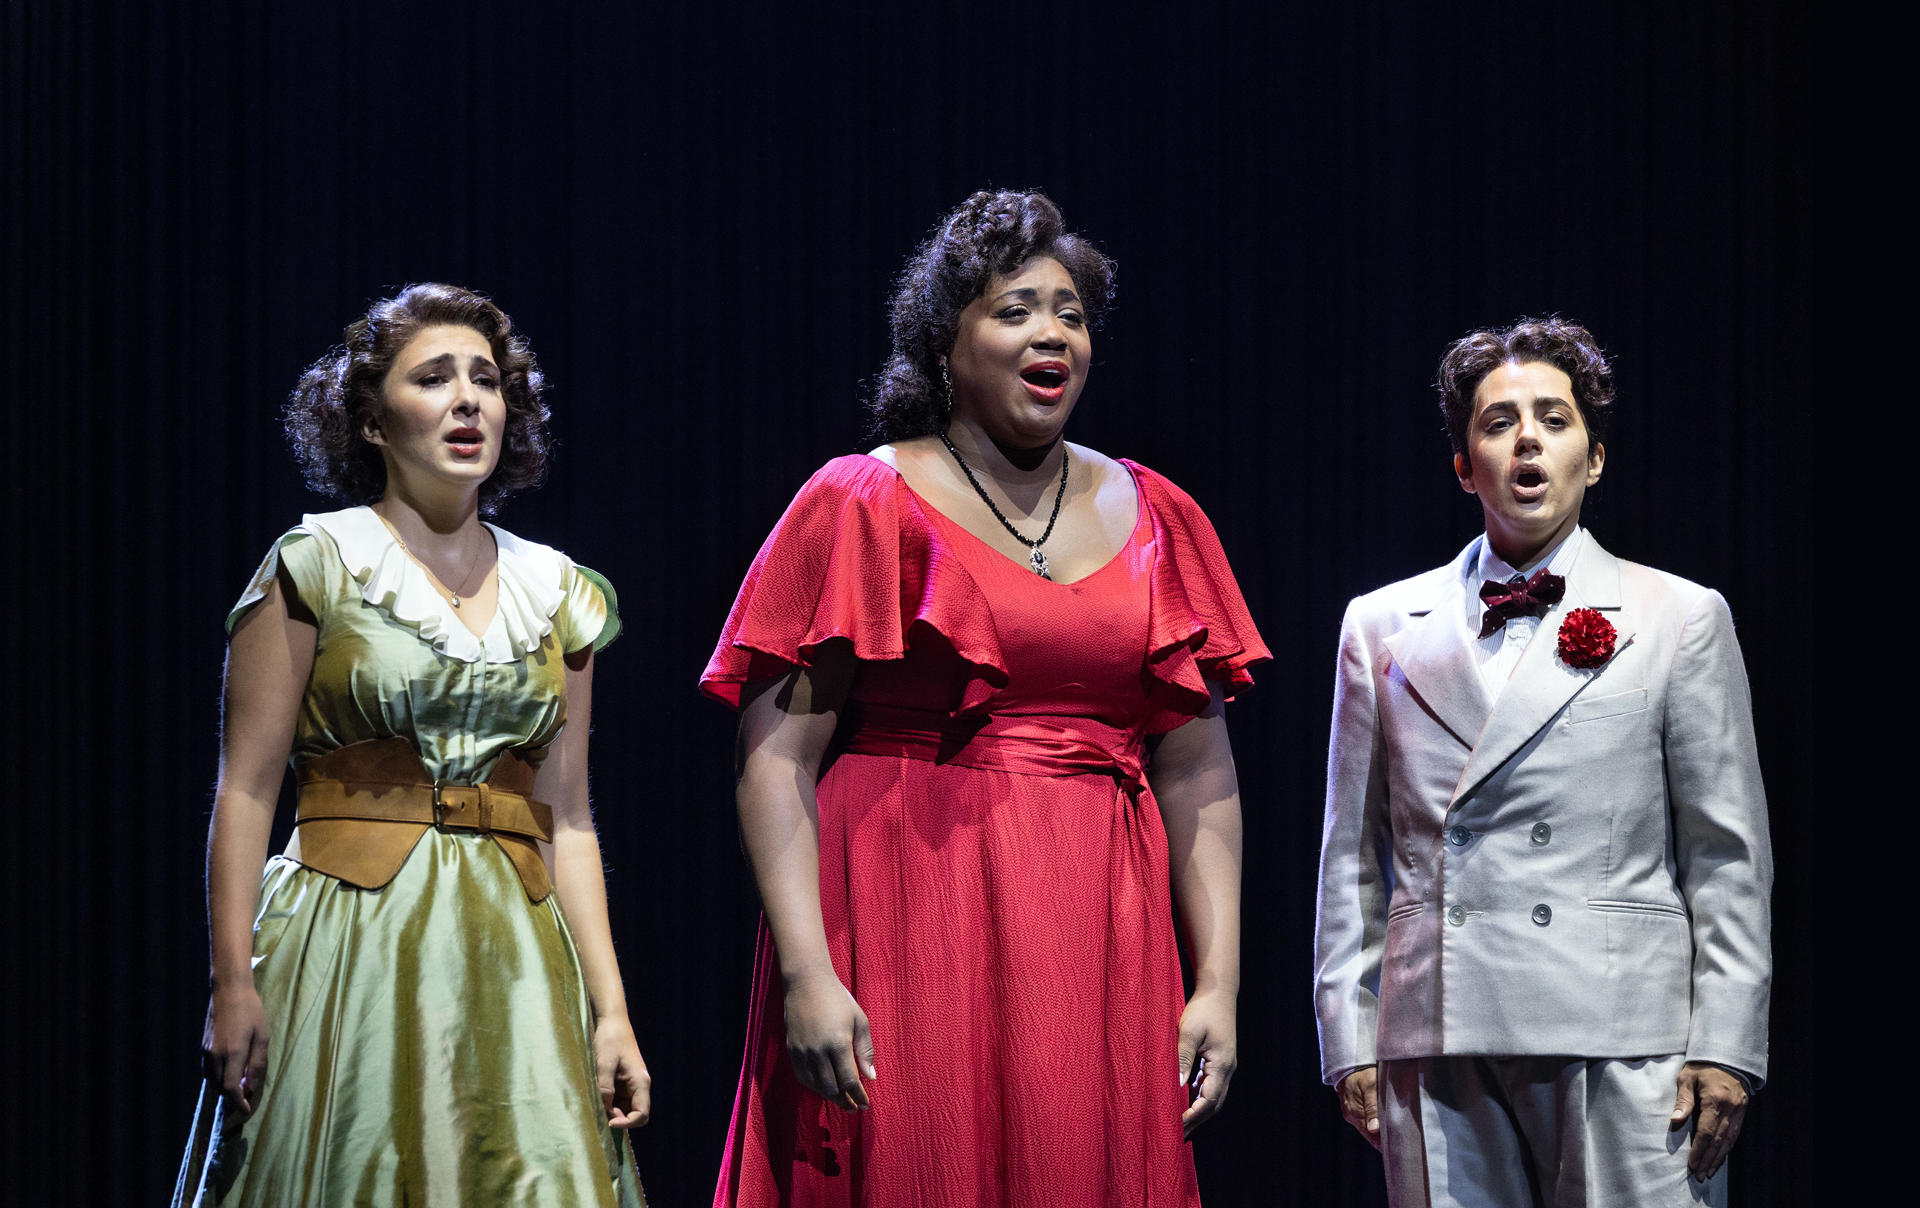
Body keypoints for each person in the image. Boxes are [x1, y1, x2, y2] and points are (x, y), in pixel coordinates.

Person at [701, 190, 1269, 1206]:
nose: (1051, 331)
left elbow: (1198, 767)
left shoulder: (1161, 513)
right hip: (908, 907)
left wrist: (1217, 980)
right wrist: (804, 968)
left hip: (1099, 925)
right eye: (1014, 309)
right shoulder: (862, 501)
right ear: (945, 342)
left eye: (1070, 311)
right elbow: (775, 754)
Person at [175, 284, 649, 1206]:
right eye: (433, 378)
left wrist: (613, 1012)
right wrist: (232, 981)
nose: (469, 399)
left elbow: (572, 821)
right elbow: (245, 790)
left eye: (487, 379)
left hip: (515, 952)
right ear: (373, 423)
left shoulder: (556, 590)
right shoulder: (320, 560)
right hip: (348, 938)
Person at [1312, 317, 1772, 1207]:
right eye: (1498, 422)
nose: (1528, 438)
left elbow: (1727, 853)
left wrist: (1727, 1043)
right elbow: (1350, 855)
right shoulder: (1381, 626)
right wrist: (1349, 1034)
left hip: (1625, 1035)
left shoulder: (1677, 615)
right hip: (1437, 1027)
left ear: (1593, 459)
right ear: (1463, 466)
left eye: (1554, 420)